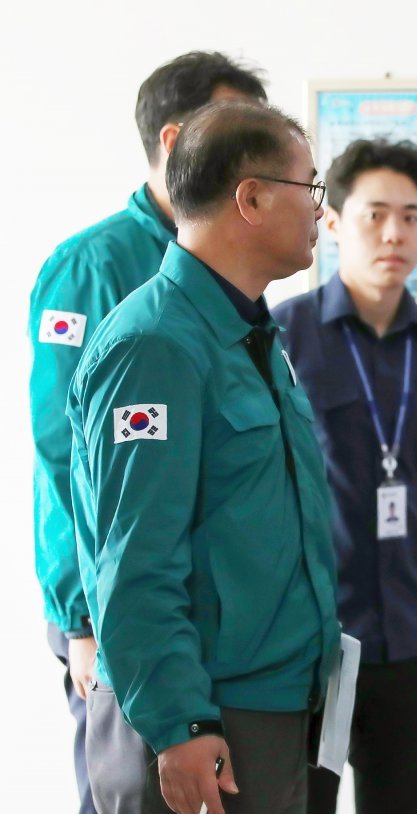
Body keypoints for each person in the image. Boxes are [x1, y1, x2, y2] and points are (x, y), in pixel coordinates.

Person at [67, 100, 341, 814]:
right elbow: (135, 560)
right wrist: (179, 723)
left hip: (268, 706)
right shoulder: (155, 346)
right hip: (207, 719)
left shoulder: (247, 333)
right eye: (310, 188)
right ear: (250, 198)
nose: (321, 209)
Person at [27, 51, 266, 814]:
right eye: (238, 137)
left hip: (202, 612)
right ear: (174, 141)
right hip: (115, 611)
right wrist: (80, 619)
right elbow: (63, 457)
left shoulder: (231, 268)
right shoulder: (91, 267)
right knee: (124, 794)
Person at [274, 139, 417, 814]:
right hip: (312, 640)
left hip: (413, 640)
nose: (395, 233)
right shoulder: (280, 339)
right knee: (303, 802)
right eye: (375, 215)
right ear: (331, 222)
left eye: (413, 216)